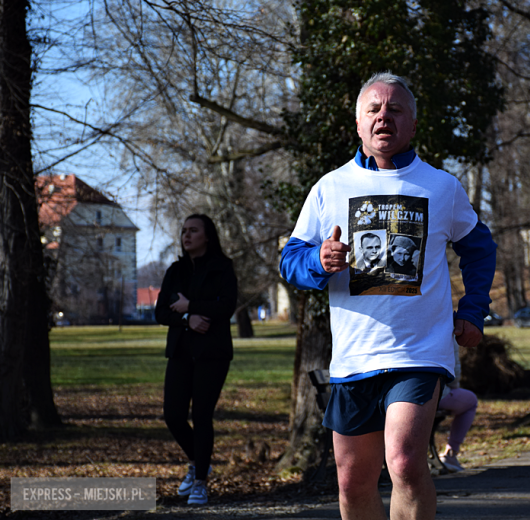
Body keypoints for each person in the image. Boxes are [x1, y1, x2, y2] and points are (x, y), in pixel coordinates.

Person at [279, 71, 496, 520]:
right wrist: (320, 260)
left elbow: (480, 247)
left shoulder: (440, 187)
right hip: (354, 358)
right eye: (374, 109)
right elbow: (291, 262)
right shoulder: (329, 188)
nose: (384, 117)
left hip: (419, 352)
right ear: (358, 124)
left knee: (403, 461)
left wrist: (473, 310)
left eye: (395, 109)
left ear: (412, 125)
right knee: (352, 481)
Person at [155, 214, 237, 506]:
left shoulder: (222, 268)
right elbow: (161, 312)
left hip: (212, 354)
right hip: (180, 351)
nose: (186, 236)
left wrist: (190, 305)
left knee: (202, 416)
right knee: (173, 416)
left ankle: (200, 481)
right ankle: (198, 462)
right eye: (184, 231)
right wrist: (188, 318)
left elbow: (226, 307)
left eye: (193, 231)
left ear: (207, 236)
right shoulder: (175, 271)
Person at [436, 342, 478, 473]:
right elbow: (454, 369)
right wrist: (453, 387)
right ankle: (451, 453)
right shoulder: (444, 326)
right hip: (435, 393)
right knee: (470, 400)